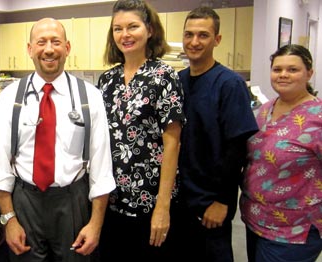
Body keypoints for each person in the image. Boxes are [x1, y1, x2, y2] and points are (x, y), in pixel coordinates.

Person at [0, 17, 116, 262]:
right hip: (25, 202)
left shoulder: (89, 96)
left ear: (67, 48)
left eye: (55, 42)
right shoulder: (9, 97)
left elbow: (102, 168)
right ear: (29, 49)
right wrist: (9, 220)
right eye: (41, 42)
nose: (48, 49)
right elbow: (1, 165)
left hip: (72, 202)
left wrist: (95, 224)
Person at [95, 0, 185, 261]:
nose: (125, 35)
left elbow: (172, 144)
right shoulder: (107, 80)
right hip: (112, 202)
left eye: (133, 26)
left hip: (149, 203)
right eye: (117, 29)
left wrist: (162, 206)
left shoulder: (164, 76)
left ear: (150, 30)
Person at [174, 6, 259, 261]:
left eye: (203, 35)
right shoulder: (177, 81)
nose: (194, 41)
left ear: (217, 40)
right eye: (189, 35)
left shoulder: (229, 84)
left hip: (210, 202)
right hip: (181, 199)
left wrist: (222, 201)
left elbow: (237, 150)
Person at [240, 44, 322, 262]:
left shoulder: (318, 118)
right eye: (277, 69)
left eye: (292, 70)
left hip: (294, 231)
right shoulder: (263, 110)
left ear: (309, 73)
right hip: (255, 221)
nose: (283, 75)